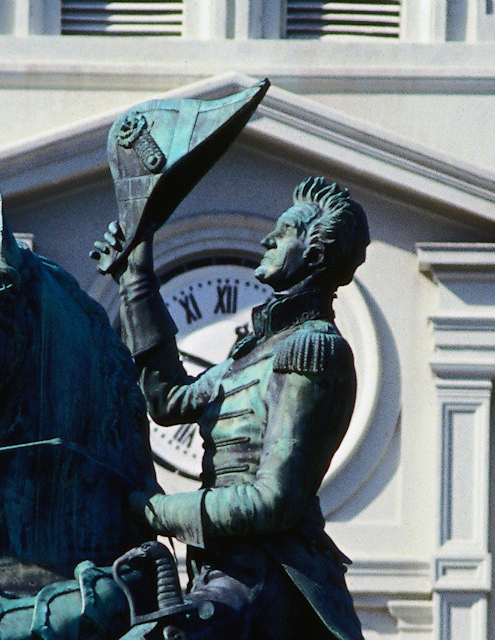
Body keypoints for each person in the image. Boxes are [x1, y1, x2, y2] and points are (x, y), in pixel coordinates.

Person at [94, 176, 369, 640]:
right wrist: (135, 279)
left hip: (269, 574)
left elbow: (274, 501)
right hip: (220, 571)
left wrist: (156, 512)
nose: (267, 239)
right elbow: (168, 401)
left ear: (315, 256)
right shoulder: (254, 351)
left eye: (282, 234)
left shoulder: (313, 350)